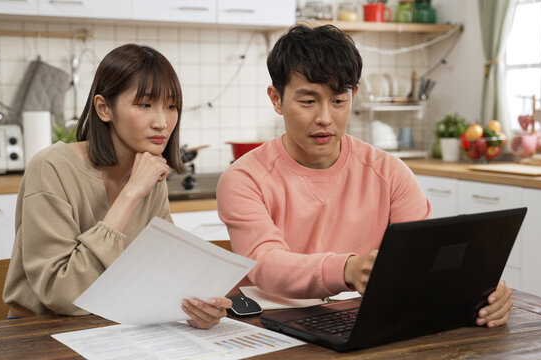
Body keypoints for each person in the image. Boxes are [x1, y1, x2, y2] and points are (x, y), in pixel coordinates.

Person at [216, 25, 513, 328]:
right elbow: (264, 263)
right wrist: (347, 268)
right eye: (308, 101)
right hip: (271, 325)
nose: (325, 117)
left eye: (339, 101)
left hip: (366, 321)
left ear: (353, 95)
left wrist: (483, 287)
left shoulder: (389, 171)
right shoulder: (244, 178)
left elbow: (427, 254)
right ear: (276, 99)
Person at [3, 44, 231, 329]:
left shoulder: (149, 173)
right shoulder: (51, 167)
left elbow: (162, 271)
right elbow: (63, 295)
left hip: (112, 327)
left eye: (171, 106)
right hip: (39, 332)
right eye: (145, 105)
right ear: (104, 108)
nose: (162, 122)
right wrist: (131, 194)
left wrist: (195, 308)